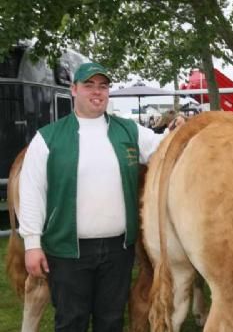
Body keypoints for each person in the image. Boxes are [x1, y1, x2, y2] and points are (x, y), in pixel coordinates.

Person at [18, 62, 169, 331]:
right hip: (67, 249)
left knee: (111, 321)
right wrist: (32, 243)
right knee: (71, 320)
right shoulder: (48, 138)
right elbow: (32, 192)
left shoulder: (129, 131)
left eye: (103, 86)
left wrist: (185, 129)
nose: (97, 92)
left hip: (118, 249)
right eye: (89, 85)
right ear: (74, 90)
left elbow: (167, 147)